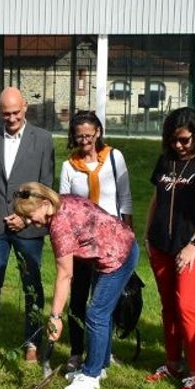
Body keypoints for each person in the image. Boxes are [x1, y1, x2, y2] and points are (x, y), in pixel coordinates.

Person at [12, 183, 139, 389]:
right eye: (26, 219)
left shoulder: (59, 226)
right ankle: (100, 365)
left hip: (118, 256)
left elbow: (64, 275)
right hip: (112, 248)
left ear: (45, 203)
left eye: (31, 216)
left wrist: (55, 317)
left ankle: (91, 376)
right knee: (102, 312)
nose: (32, 223)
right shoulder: (63, 200)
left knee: (96, 313)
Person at [143, 107, 195, 389]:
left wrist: (194, 244)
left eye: (185, 140)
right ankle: (172, 363)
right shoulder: (166, 160)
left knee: (187, 308)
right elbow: (156, 197)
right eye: (174, 140)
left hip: (189, 249)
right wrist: (147, 231)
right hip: (160, 246)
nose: (179, 146)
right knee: (168, 307)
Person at [0, 87, 55, 364]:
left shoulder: (42, 140)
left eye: (16, 113)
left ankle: (33, 342)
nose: (11, 118)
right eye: (6, 114)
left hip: (29, 228)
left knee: (32, 285)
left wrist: (27, 217)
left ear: (25, 108)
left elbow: (46, 187)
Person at [57, 109, 132, 371]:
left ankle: (103, 353)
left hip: (111, 243)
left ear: (98, 132)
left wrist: (128, 233)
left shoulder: (114, 158)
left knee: (103, 302)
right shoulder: (69, 167)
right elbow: (62, 204)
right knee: (78, 300)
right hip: (81, 244)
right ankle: (77, 352)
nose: (84, 141)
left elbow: (125, 197)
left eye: (89, 135)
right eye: (79, 137)